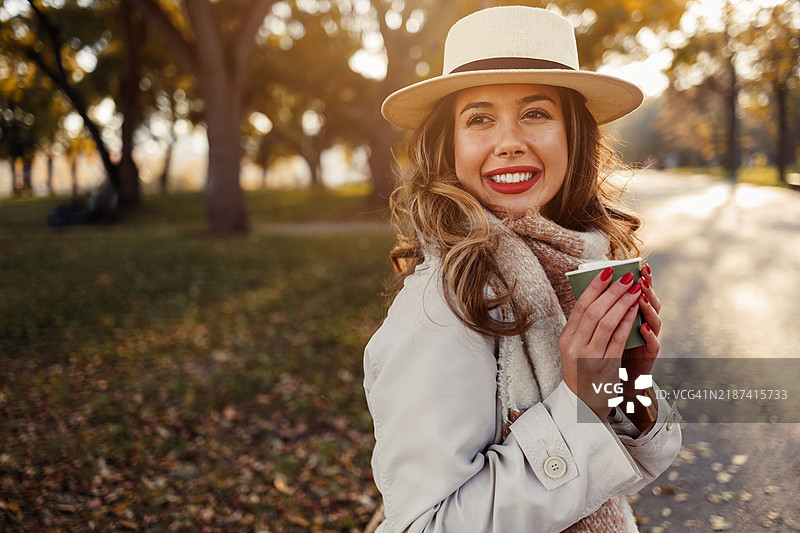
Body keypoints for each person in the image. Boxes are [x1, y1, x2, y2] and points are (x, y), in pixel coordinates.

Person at [363, 6, 682, 533]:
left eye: (535, 113)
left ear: (572, 136)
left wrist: (625, 386)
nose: (508, 140)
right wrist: (575, 401)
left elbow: (614, 476)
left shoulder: (574, 266)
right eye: (480, 118)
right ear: (450, 146)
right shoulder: (445, 304)